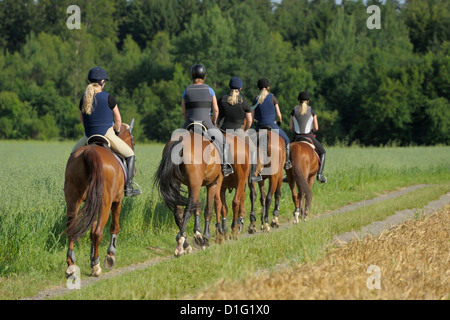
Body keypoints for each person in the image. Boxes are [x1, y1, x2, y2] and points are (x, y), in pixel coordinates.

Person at [72, 66, 141, 197]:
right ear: (102, 82)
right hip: (107, 134)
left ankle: (69, 186)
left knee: (73, 155)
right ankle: (128, 187)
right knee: (130, 154)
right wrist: (115, 131)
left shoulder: (83, 99)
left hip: (88, 136)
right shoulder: (109, 98)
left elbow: (82, 120)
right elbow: (118, 120)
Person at [181, 64, 234, 177]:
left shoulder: (186, 91)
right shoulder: (209, 90)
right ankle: (225, 166)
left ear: (192, 76)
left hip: (189, 123)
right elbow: (216, 110)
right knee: (223, 142)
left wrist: (187, 121)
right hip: (206, 123)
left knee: (174, 142)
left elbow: (183, 112)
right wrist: (214, 122)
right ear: (204, 76)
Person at [218, 77, 262, 183]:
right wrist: (245, 129)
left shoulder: (222, 100)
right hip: (238, 131)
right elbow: (249, 121)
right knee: (253, 149)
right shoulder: (244, 103)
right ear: (240, 88)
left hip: (223, 131)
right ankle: (252, 175)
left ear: (230, 88)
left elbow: (217, 115)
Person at [252, 78, 292, 170]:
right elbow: (279, 115)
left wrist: (255, 122)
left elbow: (252, 116)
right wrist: (280, 121)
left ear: (258, 88)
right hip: (272, 126)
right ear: (268, 88)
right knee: (286, 140)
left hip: (259, 127)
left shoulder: (255, 99)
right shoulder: (273, 98)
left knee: (246, 142)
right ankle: (287, 162)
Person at [289, 91, 327, 183]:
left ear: (299, 100)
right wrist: (311, 131)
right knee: (323, 152)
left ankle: (288, 175)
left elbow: (291, 128)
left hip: (296, 137)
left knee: (286, 153)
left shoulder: (294, 111)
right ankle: (320, 174)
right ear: (308, 101)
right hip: (309, 136)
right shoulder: (312, 112)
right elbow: (316, 128)